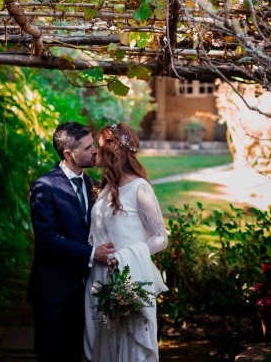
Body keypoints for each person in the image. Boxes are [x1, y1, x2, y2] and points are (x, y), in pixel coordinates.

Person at [27, 121, 116, 362]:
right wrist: (91, 254)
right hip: (52, 292)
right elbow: (47, 239)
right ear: (69, 154)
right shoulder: (44, 187)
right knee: (52, 354)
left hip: (85, 292)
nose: (94, 151)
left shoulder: (92, 185)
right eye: (87, 148)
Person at [84, 123, 168, 362]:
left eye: (98, 147)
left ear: (112, 151)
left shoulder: (139, 188)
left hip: (128, 279)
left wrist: (124, 257)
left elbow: (160, 237)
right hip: (99, 279)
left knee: (130, 347)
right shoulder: (104, 188)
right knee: (104, 345)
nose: (94, 153)